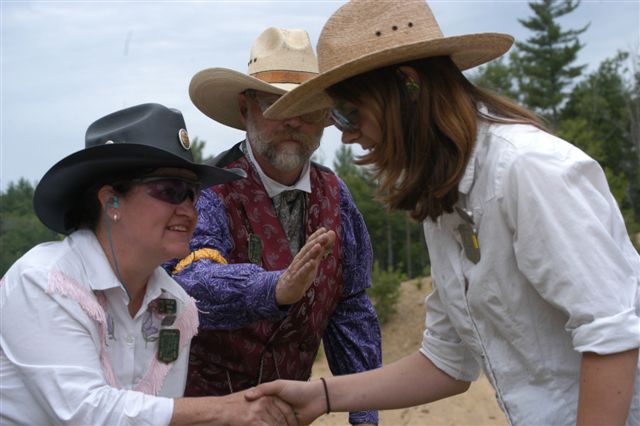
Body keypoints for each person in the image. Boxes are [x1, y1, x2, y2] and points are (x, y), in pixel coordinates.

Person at [247, 1, 640, 425]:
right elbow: (447, 361)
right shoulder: (446, 199)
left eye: (349, 111)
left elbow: (612, 335)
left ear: (409, 86)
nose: (345, 134)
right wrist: (321, 396)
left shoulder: (527, 170)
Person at [0, 103, 306, 425]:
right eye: (170, 190)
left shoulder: (177, 306)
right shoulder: (45, 281)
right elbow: (85, 413)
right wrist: (228, 410)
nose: (188, 210)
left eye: (193, 194)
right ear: (111, 201)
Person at [167, 27, 382, 426]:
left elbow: (350, 309)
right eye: (277, 105)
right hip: (205, 417)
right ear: (245, 107)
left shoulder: (337, 196)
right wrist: (273, 289)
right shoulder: (208, 192)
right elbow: (189, 283)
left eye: (311, 108)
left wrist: (364, 413)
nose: (295, 121)